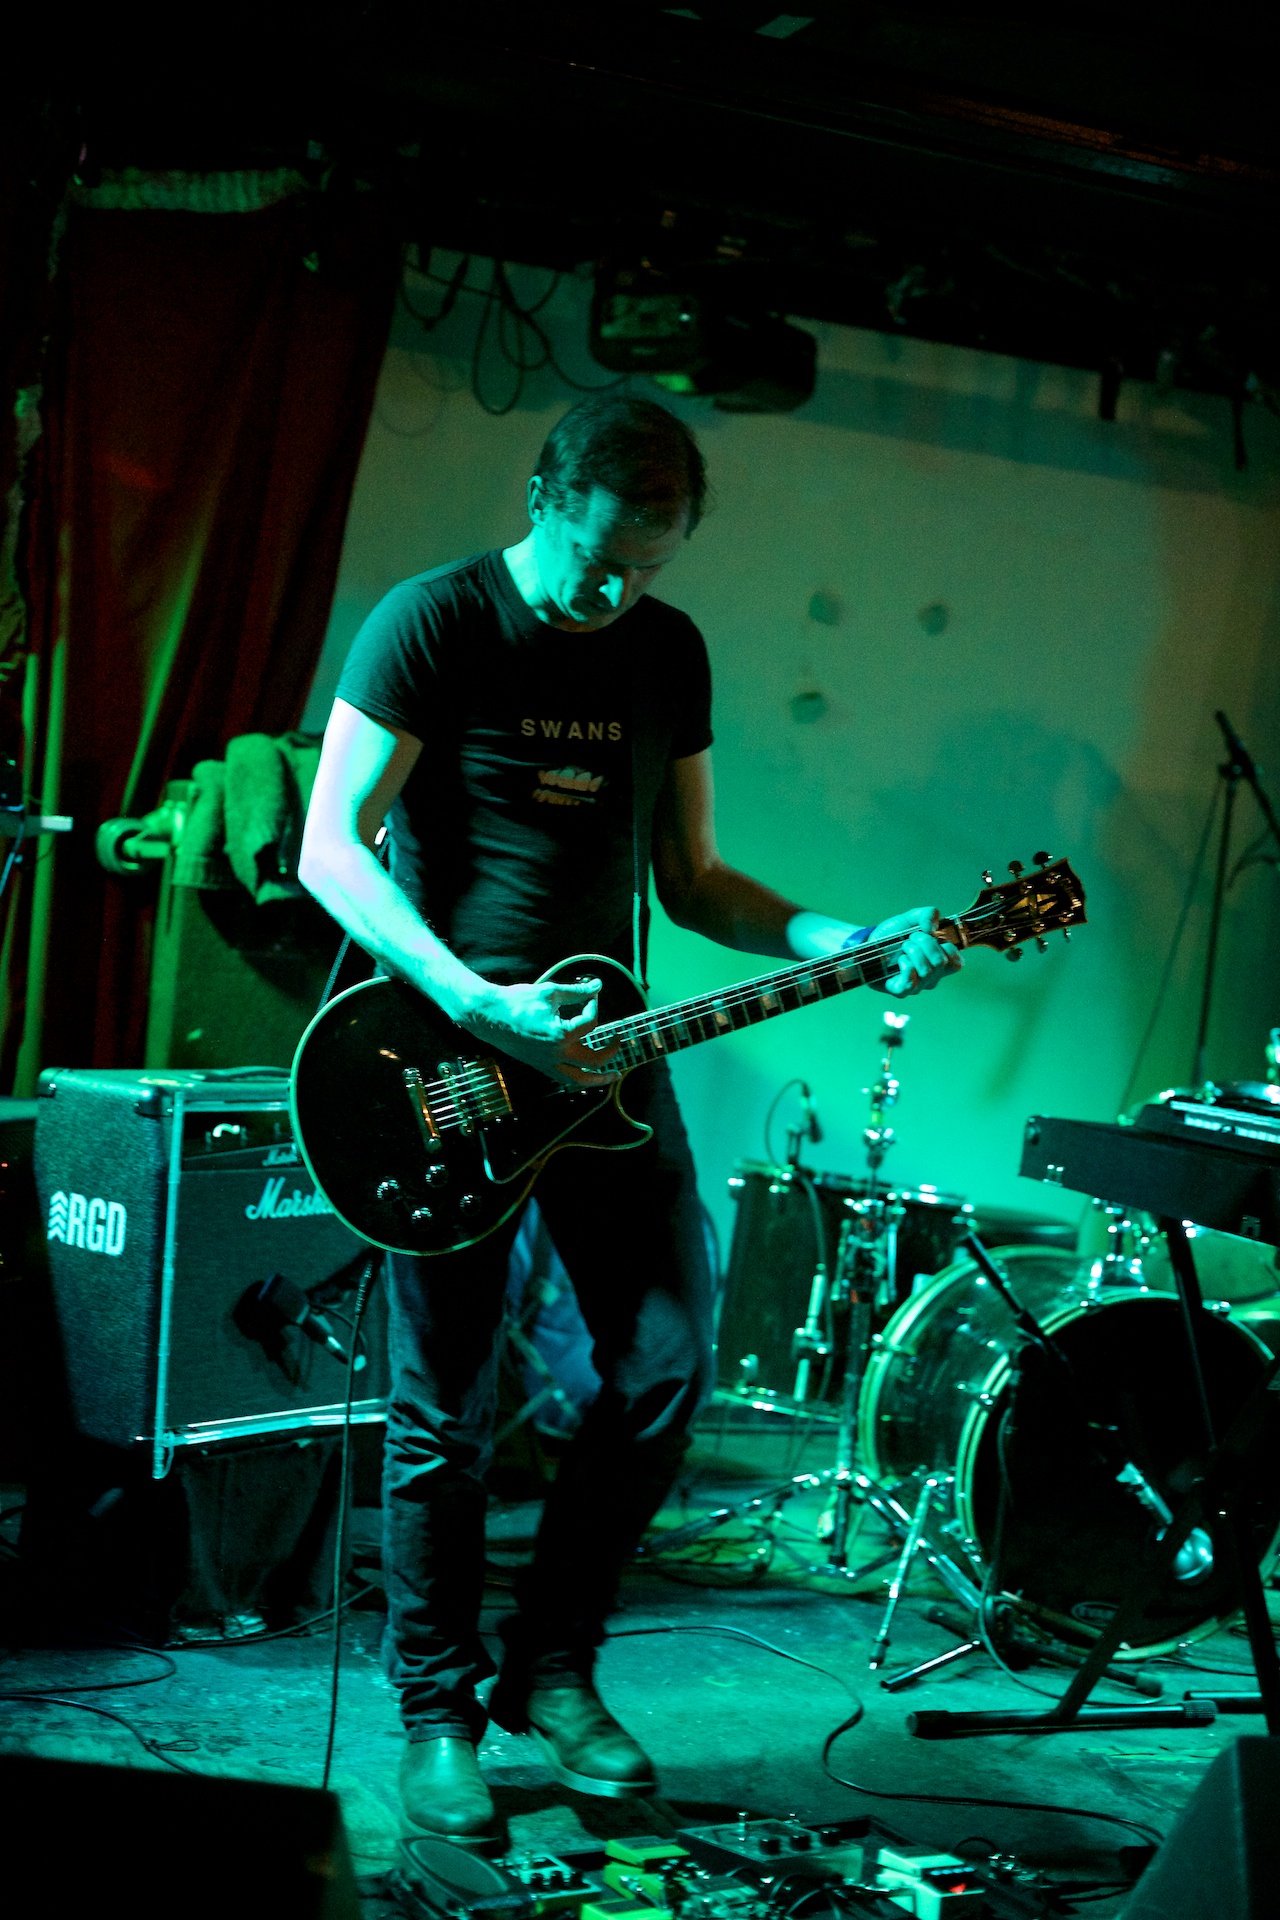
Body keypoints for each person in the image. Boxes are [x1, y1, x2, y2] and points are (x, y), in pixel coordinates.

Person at [299, 394, 959, 1838]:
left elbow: (700, 883)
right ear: (543, 493)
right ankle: (435, 1716)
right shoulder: (434, 622)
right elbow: (328, 849)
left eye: (646, 566)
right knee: (443, 1413)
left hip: (606, 1072)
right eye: (597, 556)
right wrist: (478, 1001)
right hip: (444, 1069)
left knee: (662, 1372)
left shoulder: (669, 654)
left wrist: (852, 931)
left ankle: (556, 1673)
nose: (614, 592)